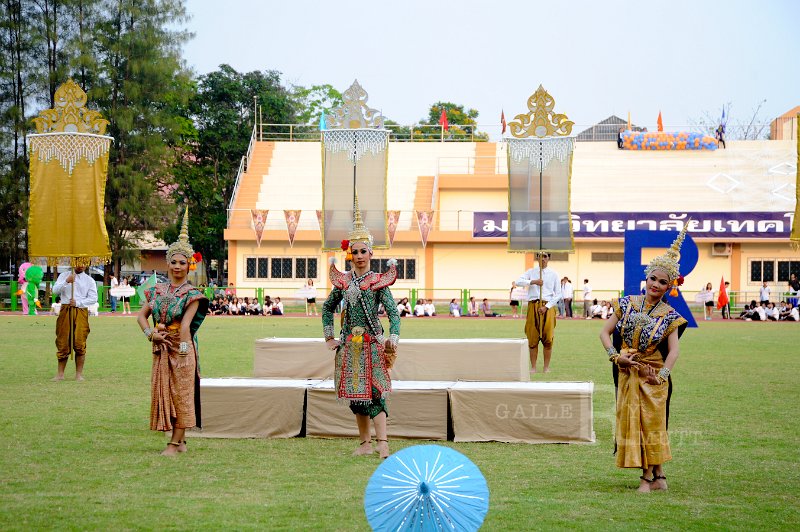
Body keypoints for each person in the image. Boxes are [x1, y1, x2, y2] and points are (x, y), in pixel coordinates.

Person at [599, 226, 688, 493]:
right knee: (634, 422)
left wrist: (660, 377)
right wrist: (616, 358)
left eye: (663, 282)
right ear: (646, 277)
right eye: (653, 278)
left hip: (653, 373)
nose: (656, 285)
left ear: (670, 286)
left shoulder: (670, 314)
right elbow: (604, 332)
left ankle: (646, 479)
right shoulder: (626, 303)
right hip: (628, 370)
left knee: (652, 424)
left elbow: (673, 351)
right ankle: (659, 476)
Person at [322, 204, 400, 460]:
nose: (359, 256)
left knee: (375, 393)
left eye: (363, 251)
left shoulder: (379, 281)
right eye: (354, 252)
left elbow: (392, 312)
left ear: (371, 252)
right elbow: (327, 307)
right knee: (356, 397)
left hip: (372, 344)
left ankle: (384, 443)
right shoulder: (343, 281)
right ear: (349, 254)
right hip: (349, 346)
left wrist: (393, 336)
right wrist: (330, 337)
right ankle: (365, 443)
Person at [136, 212, 208, 456]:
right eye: (174, 262)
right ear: (168, 263)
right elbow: (140, 316)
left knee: (183, 393)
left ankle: (174, 444)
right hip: (161, 346)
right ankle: (182, 441)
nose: (178, 267)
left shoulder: (193, 294)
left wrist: (185, 352)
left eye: (182, 263)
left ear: (190, 265)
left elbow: (186, 325)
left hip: (183, 346)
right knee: (167, 391)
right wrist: (150, 334)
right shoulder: (156, 290)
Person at [515, 252, 562, 373]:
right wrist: (533, 281)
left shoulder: (554, 274)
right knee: (532, 337)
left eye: (545, 256)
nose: (542, 259)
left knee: (548, 337)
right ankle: (533, 367)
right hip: (533, 305)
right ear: (537, 258)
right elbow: (518, 281)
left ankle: (546, 367)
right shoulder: (531, 272)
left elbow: (558, 294)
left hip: (547, 306)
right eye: (540, 256)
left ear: (549, 258)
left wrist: (546, 306)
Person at [52, 265, 98, 381]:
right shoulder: (64, 276)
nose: (81, 266)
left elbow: (93, 298)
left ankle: (78, 374)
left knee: (79, 341)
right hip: (65, 310)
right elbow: (55, 291)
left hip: (81, 311)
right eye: (78, 262)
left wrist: (78, 303)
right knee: (63, 341)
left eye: (84, 263)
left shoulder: (89, 280)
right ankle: (60, 374)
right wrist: (66, 281)